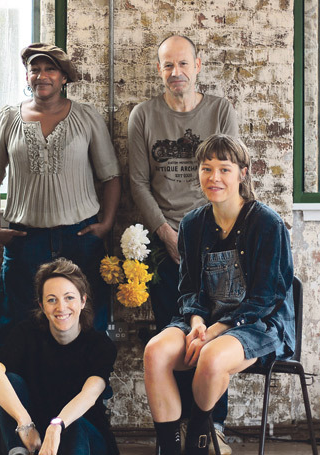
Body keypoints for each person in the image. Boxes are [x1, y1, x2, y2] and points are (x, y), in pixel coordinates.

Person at [143, 134, 295, 455]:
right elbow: (189, 289)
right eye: (206, 169)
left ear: (242, 173)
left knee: (211, 359)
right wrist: (197, 321)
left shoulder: (268, 224)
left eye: (224, 169)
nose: (214, 178)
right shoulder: (192, 224)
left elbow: (268, 297)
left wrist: (214, 332)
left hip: (257, 325)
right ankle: (170, 448)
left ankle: (198, 441)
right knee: (155, 352)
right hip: (204, 321)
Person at [128, 34, 239, 453]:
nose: (176, 73)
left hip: (216, 241)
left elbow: (227, 175)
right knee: (172, 336)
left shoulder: (220, 110)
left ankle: (213, 426)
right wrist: (164, 232)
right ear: (159, 70)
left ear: (198, 65)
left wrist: (208, 235)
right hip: (164, 242)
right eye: (168, 65)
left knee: (213, 337)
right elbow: (137, 181)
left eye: (183, 64)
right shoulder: (144, 115)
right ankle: (173, 430)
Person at [0, 43, 121, 357]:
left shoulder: (86, 117)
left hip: (80, 239)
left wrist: (107, 224)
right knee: (16, 326)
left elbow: (111, 176)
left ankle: (90, 405)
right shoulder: (8, 118)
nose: (41, 75)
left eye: (50, 69)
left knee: (89, 326)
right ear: (28, 76)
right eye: (35, 69)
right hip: (25, 240)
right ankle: (17, 404)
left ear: (63, 77)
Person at [0, 258, 119, 455]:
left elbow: (89, 395)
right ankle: (18, 452)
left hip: (85, 439)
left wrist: (57, 426)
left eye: (69, 298)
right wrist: (25, 422)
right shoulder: (25, 333)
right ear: (41, 305)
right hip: (36, 438)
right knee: (9, 381)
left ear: (83, 301)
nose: (61, 307)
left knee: (74, 424)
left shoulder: (100, 345)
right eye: (51, 299)